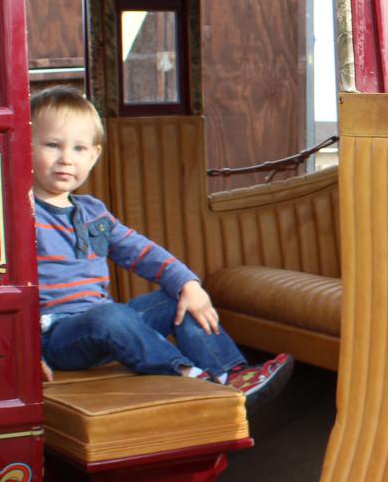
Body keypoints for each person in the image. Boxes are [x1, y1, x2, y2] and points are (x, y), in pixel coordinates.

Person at [31, 85, 293, 407]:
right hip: (57, 337)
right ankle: (185, 373)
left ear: (94, 155)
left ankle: (231, 374)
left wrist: (188, 283)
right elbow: (7, 292)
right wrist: (25, 355)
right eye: (53, 145)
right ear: (25, 147)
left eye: (79, 149)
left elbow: (142, 252)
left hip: (110, 327)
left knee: (175, 299)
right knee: (109, 315)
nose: (66, 159)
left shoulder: (92, 213)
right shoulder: (20, 213)